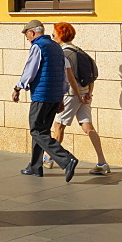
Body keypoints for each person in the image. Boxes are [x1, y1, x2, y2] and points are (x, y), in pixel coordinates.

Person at [11, 19, 79, 182]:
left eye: (27, 35)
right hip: (54, 96)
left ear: (32, 32)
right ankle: (35, 167)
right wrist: (61, 97)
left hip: (42, 95)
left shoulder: (38, 46)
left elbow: (30, 70)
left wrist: (17, 88)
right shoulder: (56, 46)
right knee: (42, 132)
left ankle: (66, 159)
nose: (28, 39)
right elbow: (63, 75)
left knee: (37, 131)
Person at [43, 22, 110, 174]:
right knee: (88, 128)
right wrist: (88, 94)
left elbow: (67, 78)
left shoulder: (64, 54)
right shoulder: (80, 51)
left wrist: (78, 96)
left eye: (54, 35)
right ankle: (102, 162)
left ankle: (48, 158)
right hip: (84, 94)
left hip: (71, 95)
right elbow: (91, 75)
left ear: (61, 36)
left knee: (58, 126)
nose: (52, 38)